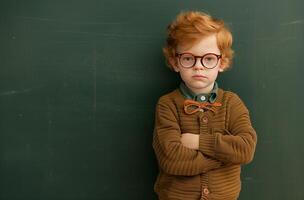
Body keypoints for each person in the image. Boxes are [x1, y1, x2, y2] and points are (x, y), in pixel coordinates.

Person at [152, 11, 257, 200]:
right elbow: (171, 159)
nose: (198, 66)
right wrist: (225, 157)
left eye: (208, 58)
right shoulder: (167, 104)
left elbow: (245, 149)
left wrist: (197, 142)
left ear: (222, 62)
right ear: (176, 62)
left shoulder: (232, 103)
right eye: (188, 58)